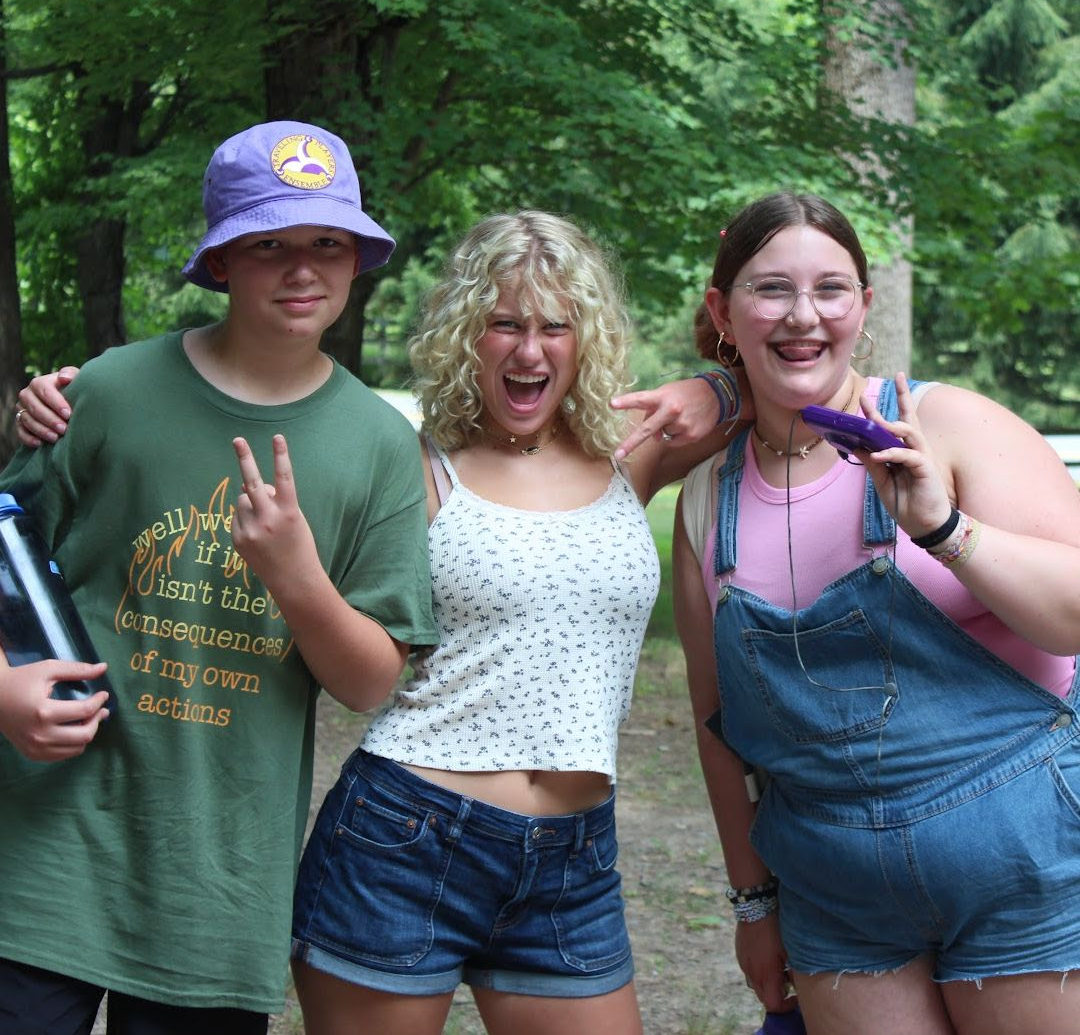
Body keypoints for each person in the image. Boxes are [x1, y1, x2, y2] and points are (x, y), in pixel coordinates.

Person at [13, 209, 744, 1033]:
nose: (530, 350)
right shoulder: (409, 463)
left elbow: (776, 381)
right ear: (468, 333)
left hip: (574, 861)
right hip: (408, 837)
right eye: (504, 323)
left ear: (587, 338)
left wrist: (705, 383)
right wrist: (71, 398)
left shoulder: (630, 455)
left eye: (555, 326)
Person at [0, 120, 438, 1033]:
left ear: (359, 260)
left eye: (328, 243)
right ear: (221, 260)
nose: (302, 268)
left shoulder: (381, 448)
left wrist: (295, 576)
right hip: (42, 863)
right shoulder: (109, 392)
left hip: (216, 888)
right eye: (269, 243)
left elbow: (368, 682)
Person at [663, 191, 1080, 1034]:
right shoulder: (708, 499)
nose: (803, 316)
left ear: (864, 305)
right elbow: (719, 728)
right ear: (723, 310)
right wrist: (752, 905)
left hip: (1026, 866)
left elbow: (1072, 617)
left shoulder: (953, 426)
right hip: (836, 897)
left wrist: (942, 528)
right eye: (770, 289)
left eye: (831, 290)